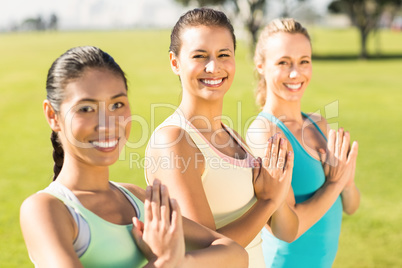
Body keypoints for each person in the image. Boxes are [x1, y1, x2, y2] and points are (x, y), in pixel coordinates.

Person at [19, 46, 248, 268]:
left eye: (117, 104)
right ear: (52, 115)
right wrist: (165, 262)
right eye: (86, 109)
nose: (108, 124)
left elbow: (236, 256)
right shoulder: (44, 210)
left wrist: (181, 261)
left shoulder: (138, 198)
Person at [145, 8, 298, 267]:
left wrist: (278, 193)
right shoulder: (173, 140)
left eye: (223, 55)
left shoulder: (232, 137)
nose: (214, 67)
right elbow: (207, 254)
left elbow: (287, 232)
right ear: (175, 62)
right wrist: (268, 201)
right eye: (200, 56)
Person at [246, 18, 361, 267]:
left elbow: (351, 206)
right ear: (261, 66)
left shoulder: (319, 124)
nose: (295, 73)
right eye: (283, 62)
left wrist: (348, 184)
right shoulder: (264, 132)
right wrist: (335, 183)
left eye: (304, 62)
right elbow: (287, 230)